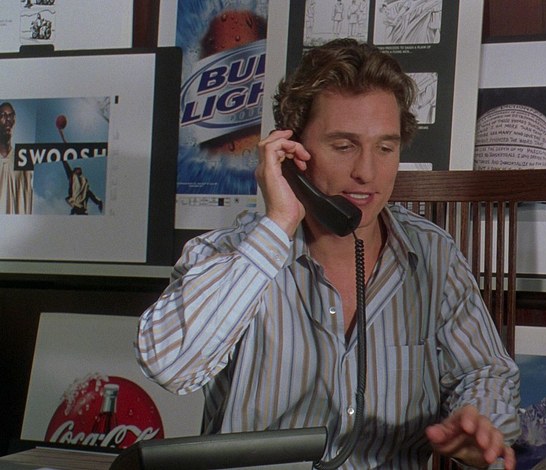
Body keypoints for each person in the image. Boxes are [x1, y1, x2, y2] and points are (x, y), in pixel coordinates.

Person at [136, 38, 520, 469]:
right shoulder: (229, 255)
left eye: (385, 148)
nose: (367, 172)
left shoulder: (433, 255)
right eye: (344, 146)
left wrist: (480, 423)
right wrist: (278, 225)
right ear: (292, 151)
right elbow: (170, 365)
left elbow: (485, 371)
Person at [0, 101, 32, 214]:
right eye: (3, 115)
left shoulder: (23, 159)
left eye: (11, 115)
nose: (8, 119)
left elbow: (27, 199)